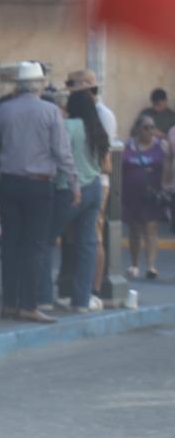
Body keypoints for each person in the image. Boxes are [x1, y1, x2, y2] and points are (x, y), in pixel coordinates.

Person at [0, 61, 76, 322]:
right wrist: (73, 182)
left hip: (9, 182)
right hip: (38, 184)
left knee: (11, 244)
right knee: (35, 245)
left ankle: (9, 303)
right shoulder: (51, 112)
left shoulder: (3, 110)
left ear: (18, 85)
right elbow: (62, 152)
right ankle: (29, 304)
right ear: (39, 85)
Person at [46, 90, 110, 312]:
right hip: (94, 187)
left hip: (70, 189)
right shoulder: (96, 128)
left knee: (45, 240)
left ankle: (43, 297)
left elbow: (58, 155)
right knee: (87, 245)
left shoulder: (67, 126)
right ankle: (81, 300)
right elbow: (105, 164)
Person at [120, 114, 170, 280]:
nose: (150, 131)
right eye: (146, 127)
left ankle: (150, 266)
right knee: (134, 230)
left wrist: (166, 186)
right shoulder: (128, 146)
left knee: (151, 228)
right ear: (138, 129)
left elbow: (169, 165)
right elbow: (121, 168)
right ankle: (134, 264)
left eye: (152, 127)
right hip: (132, 195)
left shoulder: (161, 146)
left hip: (152, 196)